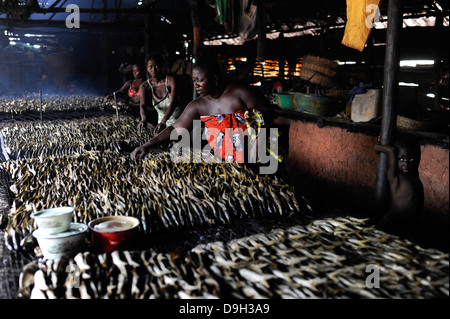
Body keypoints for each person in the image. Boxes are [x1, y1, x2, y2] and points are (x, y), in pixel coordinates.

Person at [131, 58, 278, 167]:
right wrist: (148, 145)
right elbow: (176, 128)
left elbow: (266, 115)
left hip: (259, 157)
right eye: (193, 81)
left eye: (199, 80)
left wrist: (257, 145)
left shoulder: (240, 92)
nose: (196, 85)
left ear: (215, 79)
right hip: (228, 162)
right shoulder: (199, 106)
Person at [374, 137, 424, 236]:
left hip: (409, 224)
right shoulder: (395, 177)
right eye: (401, 159)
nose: (406, 163)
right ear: (395, 159)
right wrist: (377, 147)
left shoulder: (413, 175)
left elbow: (416, 153)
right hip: (393, 223)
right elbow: (391, 150)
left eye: (410, 159)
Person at [138, 53, 184, 134]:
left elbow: (174, 102)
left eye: (156, 66)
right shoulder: (145, 87)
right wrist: (143, 119)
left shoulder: (170, 81)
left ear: (162, 65)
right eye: (150, 67)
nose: (154, 70)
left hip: (178, 122)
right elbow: (143, 105)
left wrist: (163, 121)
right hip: (161, 125)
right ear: (147, 68)